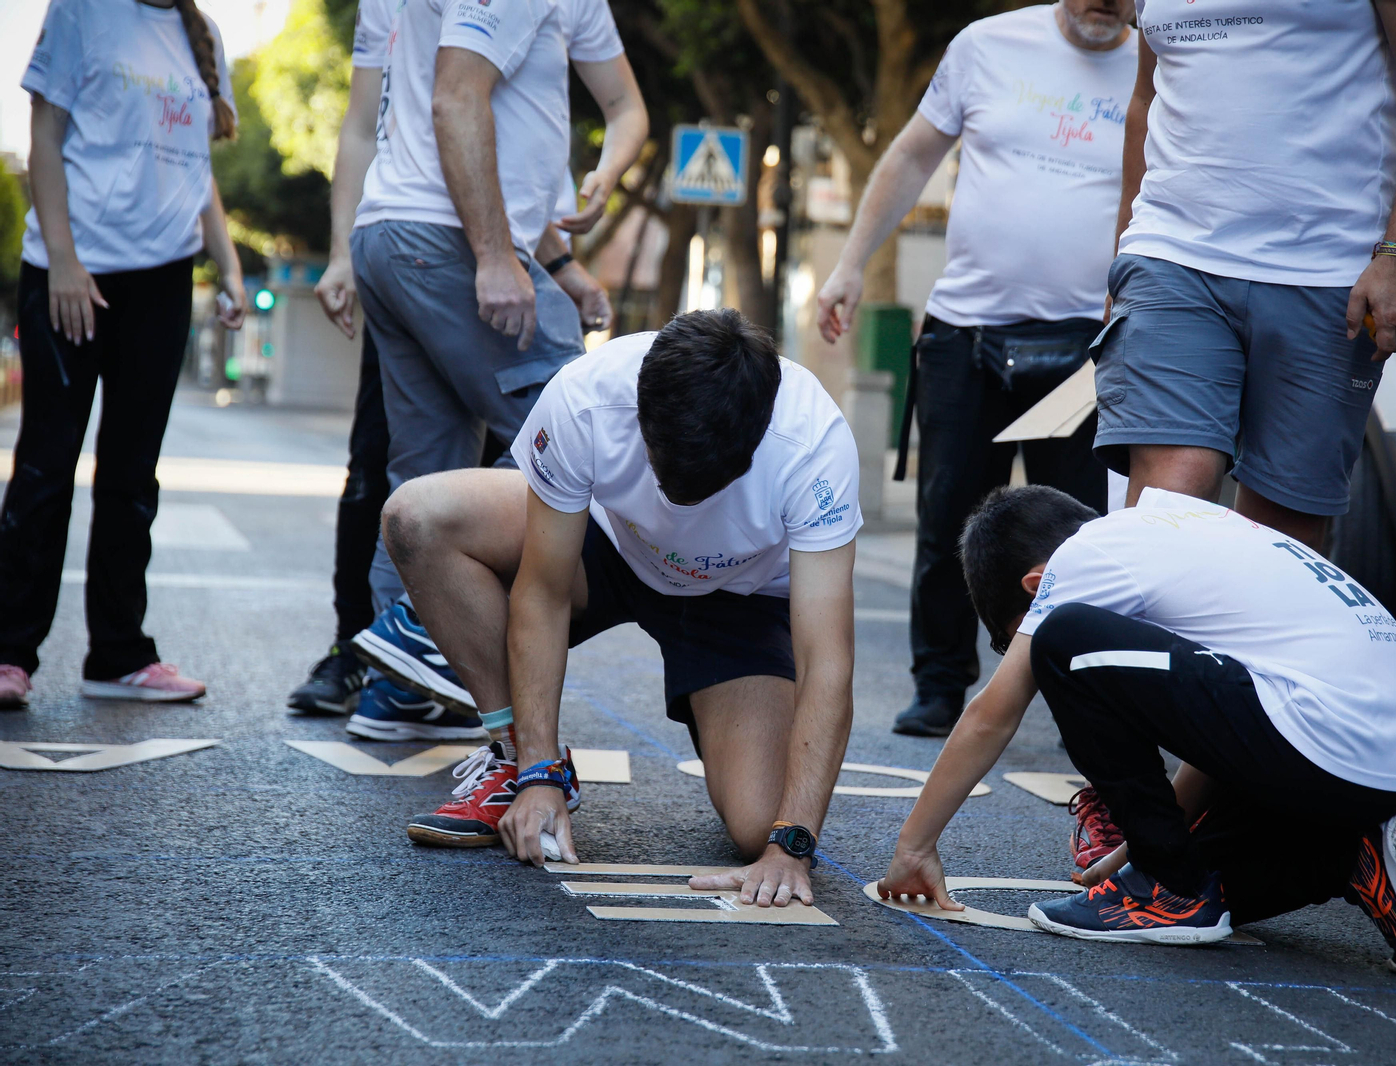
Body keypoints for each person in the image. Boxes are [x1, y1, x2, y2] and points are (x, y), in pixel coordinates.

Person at [358, 310, 860, 908]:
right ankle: (511, 759)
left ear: (756, 436)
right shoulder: (587, 394)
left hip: (739, 599)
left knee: (760, 825)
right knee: (416, 517)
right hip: (606, 546)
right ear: (641, 411)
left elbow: (826, 658)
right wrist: (538, 770)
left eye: (701, 484)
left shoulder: (813, 444)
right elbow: (543, 592)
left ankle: (721, 708)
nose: (677, 498)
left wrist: (791, 846)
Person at [876, 485, 1396, 974]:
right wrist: (1145, 849)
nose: (1017, 655)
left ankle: (1169, 891)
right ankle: (1354, 857)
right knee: (1212, 884)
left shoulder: (1084, 558)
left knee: (1064, 642)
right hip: (1393, 769)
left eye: (1012, 637)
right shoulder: (1184, 527)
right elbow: (1223, 730)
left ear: (1035, 584)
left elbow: (990, 713)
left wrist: (914, 847)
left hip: (1328, 742)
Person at [288, 0, 641, 733]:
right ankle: (416, 631)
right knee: (584, 435)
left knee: (426, 475)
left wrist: (557, 259)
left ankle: (396, 687)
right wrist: (492, 256)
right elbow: (454, 100)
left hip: (396, 235)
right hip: (445, 238)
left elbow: (529, 127)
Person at [815, 0, 1135, 738]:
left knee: (1083, 532)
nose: (1106, 3)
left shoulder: (1162, 64)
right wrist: (850, 265)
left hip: (1089, 346)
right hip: (968, 335)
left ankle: (1075, 688)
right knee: (949, 517)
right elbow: (910, 156)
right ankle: (939, 683)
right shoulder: (986, 44)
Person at [1096, 0, 1396, 551]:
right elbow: (1147, 98)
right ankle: (1152, 640)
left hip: (1325, 271)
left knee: (1278, 538)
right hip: (1170, 254)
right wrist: (1121, 260)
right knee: (1170, 501)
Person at [0, 0, 247, 709]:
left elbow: (198, 175)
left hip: (163, 277)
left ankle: (118, 652)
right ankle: (9, 651)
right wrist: (66, 261)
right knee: (47, 462)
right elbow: (44, 136)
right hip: (74, 269)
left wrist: (225, 266)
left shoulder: (205, 37)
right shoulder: (82, 10)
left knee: (133, 474)